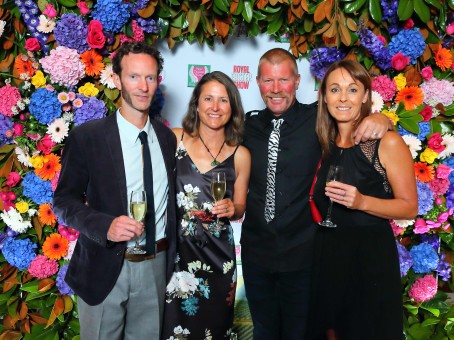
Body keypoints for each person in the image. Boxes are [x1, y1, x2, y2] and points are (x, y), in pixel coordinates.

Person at [241, 48, 393, 339]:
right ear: (257, 82)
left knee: (304, 333)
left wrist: (383, 119)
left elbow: (354, 119)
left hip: (304, 255)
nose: (276, 89)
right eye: (268, 81)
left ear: (297, 81)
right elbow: (207, 133)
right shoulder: (246, 125)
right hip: (256, 253)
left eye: (283, 80)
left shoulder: (319, 120)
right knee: (263, 332)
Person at [53, 42, 177, 339]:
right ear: (118, 79)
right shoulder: (88, 137)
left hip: (155, 266)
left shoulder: (167, 138)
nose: (143, 86)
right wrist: (104, 226)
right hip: (104, 266)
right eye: (134, 77)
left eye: (150, 77)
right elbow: (63, 200)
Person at [309, 60, 418, 339]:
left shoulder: (386, 143)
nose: (343, 98)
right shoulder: (324, 142)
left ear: (366, 95)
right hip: (328, 260)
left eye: (352, 89)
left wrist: (362, 202)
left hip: (370, 263)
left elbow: (409, 207)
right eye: (335, 89)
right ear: (324, 96)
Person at [161, 71, 251, 339]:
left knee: (214, 329)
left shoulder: (241, 154)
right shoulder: (175, 139)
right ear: (196, 104)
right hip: (176, 254)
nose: (215, 107)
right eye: (208, 98)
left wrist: (232, 209)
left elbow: (241, 206)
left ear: (232, 107)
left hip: (217, 256)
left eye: (223, 100)